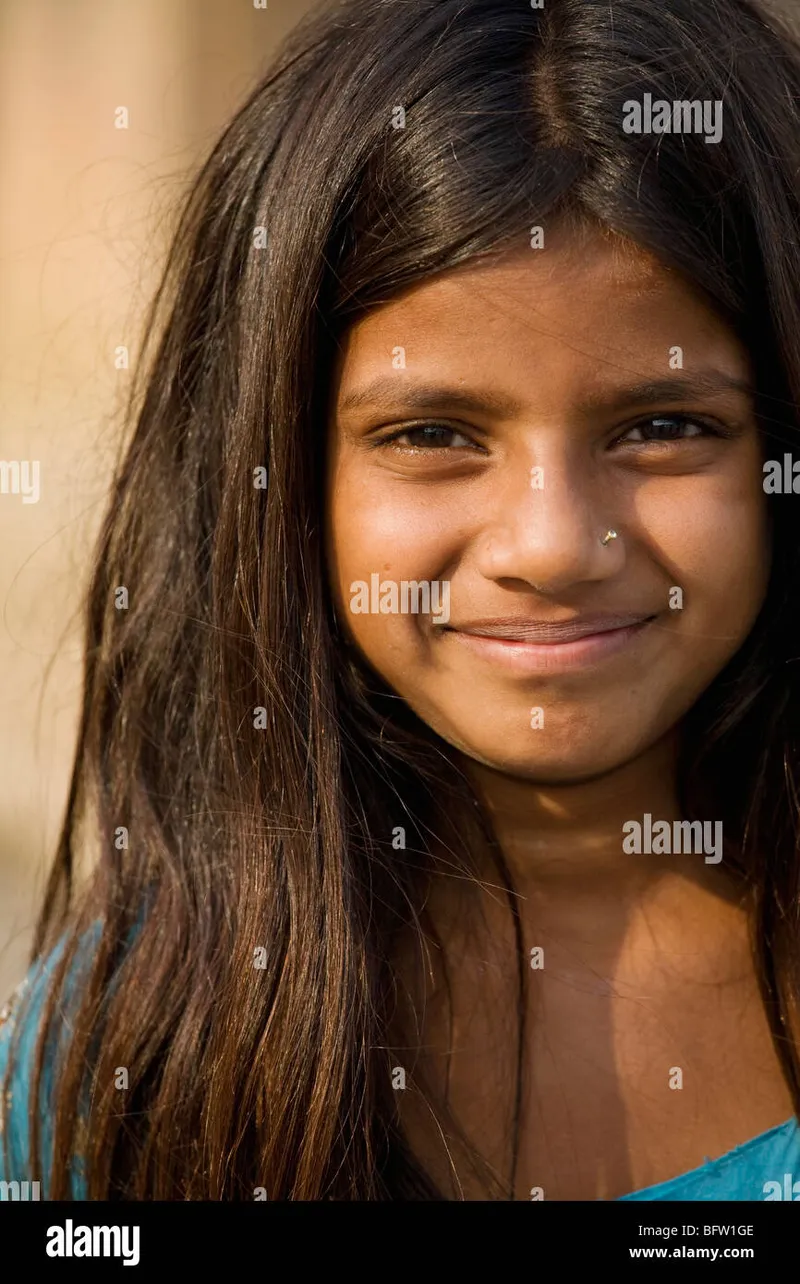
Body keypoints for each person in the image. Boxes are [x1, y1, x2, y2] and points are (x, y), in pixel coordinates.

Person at [3, 0, 800, 1201]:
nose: (550, 545)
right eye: (431, 433)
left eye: (664, 426)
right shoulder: (126, 1054)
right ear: (275, 477)